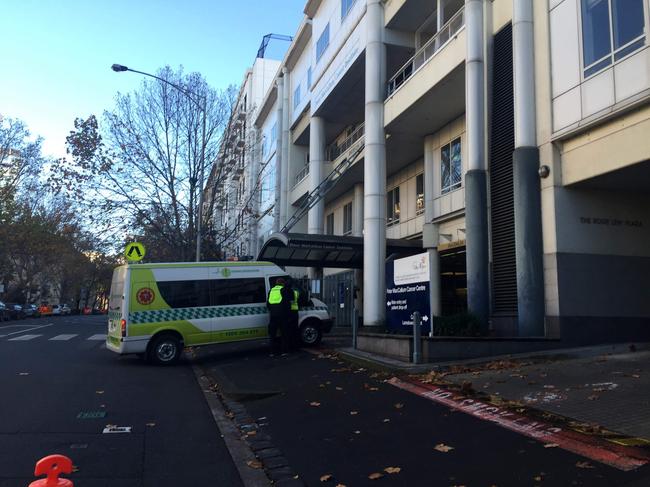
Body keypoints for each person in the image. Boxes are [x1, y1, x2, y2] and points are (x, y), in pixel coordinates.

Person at [266, 277, 293, 356]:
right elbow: (287, 304)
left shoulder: (271, 291)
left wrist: (273, 311)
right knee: (284, 334)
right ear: (283, 283)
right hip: (282, 315)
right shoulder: (284, 290)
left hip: (273, 316)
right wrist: (289, 314)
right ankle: (284, 351)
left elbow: (268, 304)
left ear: (276, 283)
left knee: (272, 335)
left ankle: (272, 352)